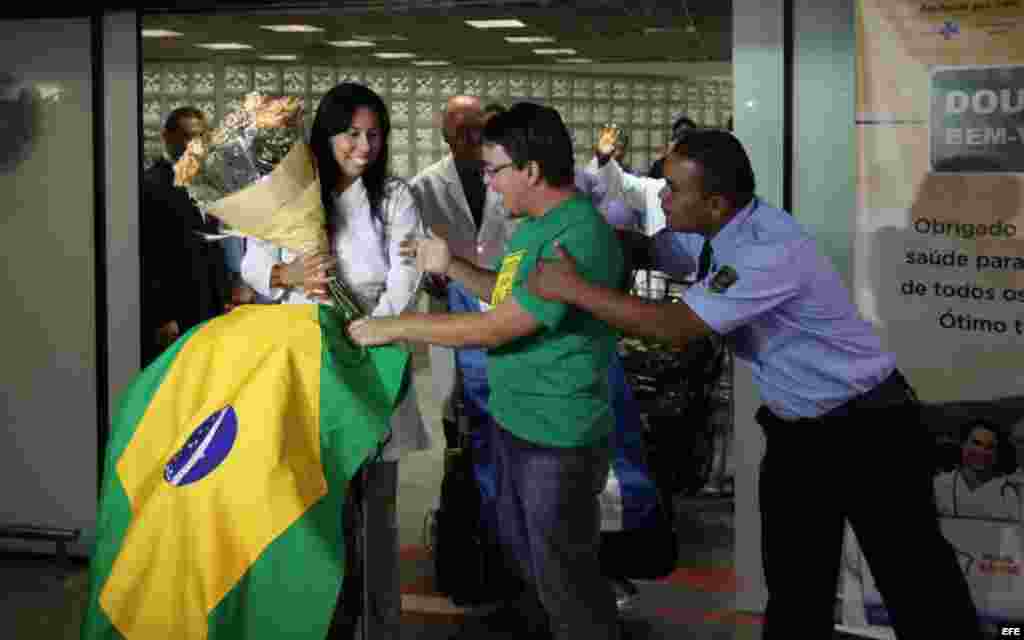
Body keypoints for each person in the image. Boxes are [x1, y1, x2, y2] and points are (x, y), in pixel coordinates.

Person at [526, 128, 982, 639]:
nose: (662, 196)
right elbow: (660, 253)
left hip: (869, 428)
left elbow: (673, 328)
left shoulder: (766, 249)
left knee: (918, 585)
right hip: (799, 433)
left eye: (674, 189)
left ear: (716, 202)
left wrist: (573, 288)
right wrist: (584, 230)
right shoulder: (720, 230)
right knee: (794, 589)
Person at [349, 102, 624, 640]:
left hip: (557, 436)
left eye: (495, 170)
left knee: (567, 580)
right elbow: (501, 292)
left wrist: (398, 327)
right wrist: (448, 264)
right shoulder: (533, 228)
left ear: (531, 170)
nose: (491, 185)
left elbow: (498, 326)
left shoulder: (578, 237)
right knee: (533, 564)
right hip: (519, 423)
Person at [240, 82, 432, 640]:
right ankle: (317, 622)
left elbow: (407, 271)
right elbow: (255, 267)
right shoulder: (290, 191)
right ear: (326, 135)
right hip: (303, 357)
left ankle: (378, 625)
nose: (364, 146)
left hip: (373, 354)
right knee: (311, 508)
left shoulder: (394, 196)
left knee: (375, 508)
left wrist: (375, 329)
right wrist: (290, 276)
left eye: (374, 135)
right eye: (352, 134)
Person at [140, 106, 230, 366]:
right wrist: (162, 316)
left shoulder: (206, 181)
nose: (195, 144)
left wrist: (223, 295)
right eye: (188, 136)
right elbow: (147, 256)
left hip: (210, 308)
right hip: (175, 315)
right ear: (167, 137)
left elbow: (214, 245)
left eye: (201, 136)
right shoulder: (151, 185)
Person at [934, 419, 1021, 522]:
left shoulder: (1011, 490)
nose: (981, 451)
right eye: (976, 443)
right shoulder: (938, 485)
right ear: (963, 444)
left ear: (997, 453)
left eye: (990, 447)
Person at [647, 115, 697, 180]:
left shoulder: (702, 165)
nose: (683, 140)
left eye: (687, 136)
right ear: (673, 140)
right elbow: (651, 187)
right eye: (680, 135)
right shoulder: (660, 165)